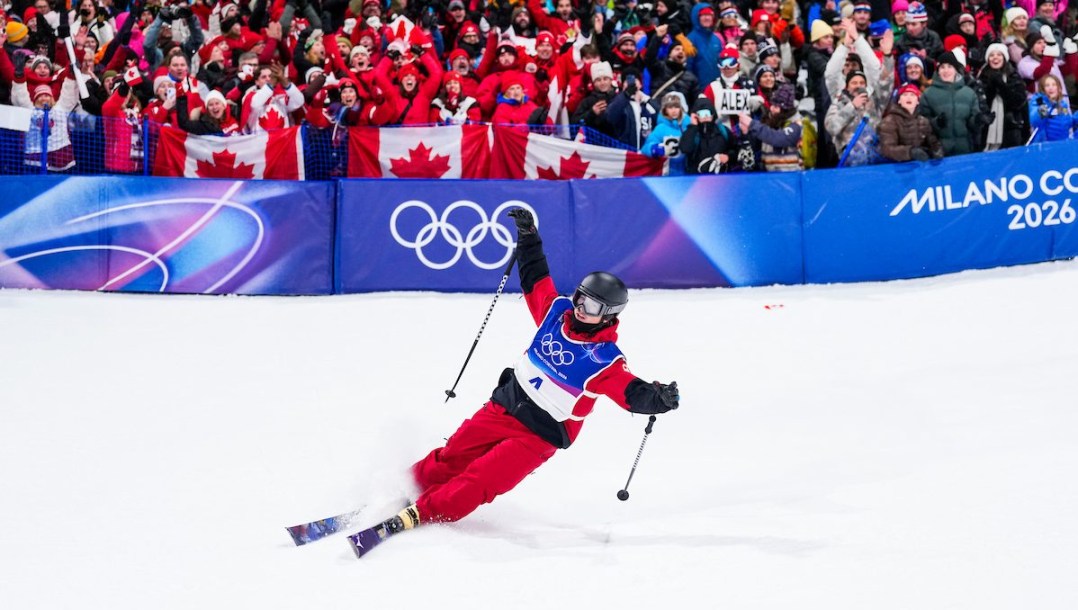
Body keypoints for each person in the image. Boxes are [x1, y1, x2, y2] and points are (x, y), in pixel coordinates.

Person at [361, 208, 681, 540]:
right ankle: (405, 488)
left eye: (592, 307)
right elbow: (535, 279)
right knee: (453, 454)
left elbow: (632, 392)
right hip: (505, 404)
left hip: (539, 434)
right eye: (581, 299)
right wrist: (529, 238)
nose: (581, 308)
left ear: (608, 315)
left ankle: (424, 511)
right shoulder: (556, 312)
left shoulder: (605, 360)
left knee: (481, 479)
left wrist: (659, 399)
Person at [919, 50, 981, 156]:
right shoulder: (928, 94)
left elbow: (972, 122)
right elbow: (922, 121)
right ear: (938, 71)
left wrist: (979, 120)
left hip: (965, 150)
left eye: (949, 67)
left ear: (956, 70)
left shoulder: (969, 93)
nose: (946, 70)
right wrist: (936, 123)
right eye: (942, 67)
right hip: (940, 153)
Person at [878, 83, 944, 161]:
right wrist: (910, 152)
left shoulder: (923, 121)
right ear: (899, 100)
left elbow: (932, 141)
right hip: (898, 168)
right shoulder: (889, 121)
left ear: (917, 101)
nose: (908, 98)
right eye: (905, 95)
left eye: (912, 95)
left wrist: (937, 150)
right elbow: (887, 149)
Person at [1027, 74, 1076, 142]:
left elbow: (1066, 123)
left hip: (1062, 145)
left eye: (1054, 85)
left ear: (1059, 88)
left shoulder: (1062, 104)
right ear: (1042, 89)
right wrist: (1048, 103)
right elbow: (1037, 122)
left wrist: (1076, 118)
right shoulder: (1039, 101)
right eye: (1047, 85)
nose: (1051, 88)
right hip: (1045, 146)